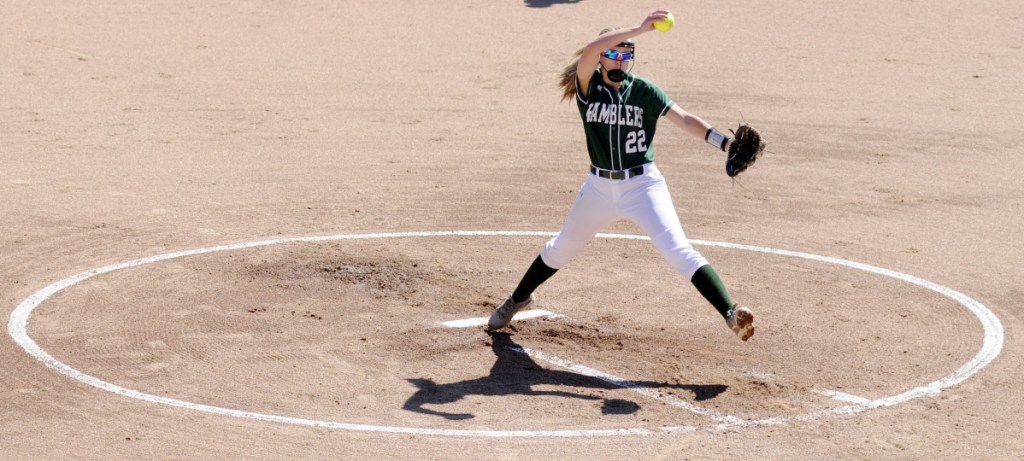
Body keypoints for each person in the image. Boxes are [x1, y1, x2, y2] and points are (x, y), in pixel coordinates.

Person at [487, 9, 755, 341]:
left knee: (678, 250)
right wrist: (641, 29)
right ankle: (517, 299)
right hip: (599, 189)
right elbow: (588, 50)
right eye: (612, 54)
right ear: (601, 57)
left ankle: (730, 312)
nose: (618, 61)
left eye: (625, 55)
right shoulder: (588, 87)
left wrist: (724, 142)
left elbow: (684, 119)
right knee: (560, 249)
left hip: (643, 186)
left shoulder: (644, 91)